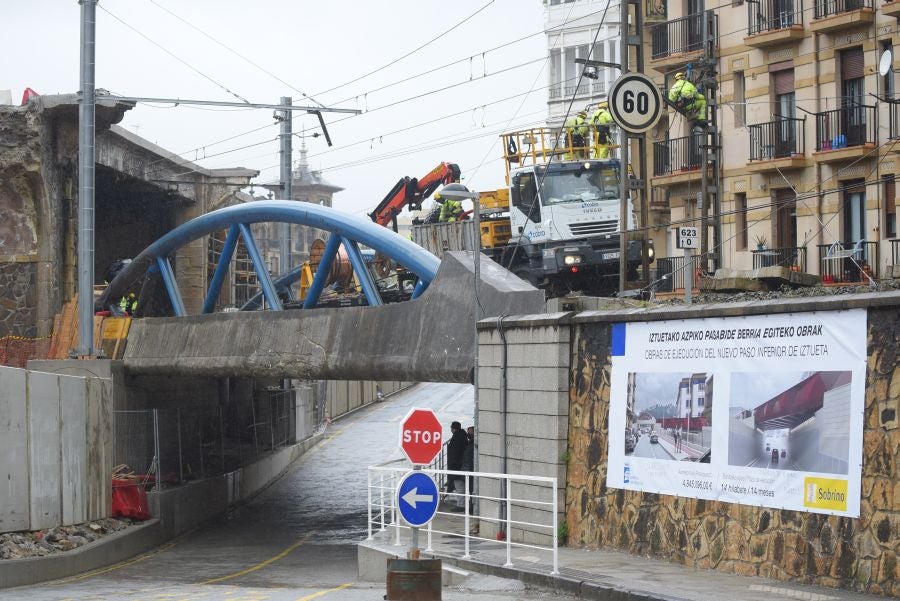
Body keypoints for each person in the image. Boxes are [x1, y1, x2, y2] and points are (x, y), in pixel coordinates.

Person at [446, 421, 468, 508]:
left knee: (459, 486)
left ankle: (461, 505)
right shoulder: (462, 436)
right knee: (460, 485)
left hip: (457, 467)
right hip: (460, 466)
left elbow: (455, 453)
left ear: (454, 429)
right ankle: (461, 503)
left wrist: (453, 465)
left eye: (452, 428)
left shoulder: (457, 438)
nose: (451, 429)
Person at [459, 426, 475, 510]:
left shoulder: (472, 444)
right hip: (468, 469)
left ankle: (472, 507)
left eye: (470, 432)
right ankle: (471, 506)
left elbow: (468, 458)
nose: (468, 434)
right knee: (470, 489)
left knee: (471, 488)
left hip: (470, 469)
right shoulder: (470, 443)